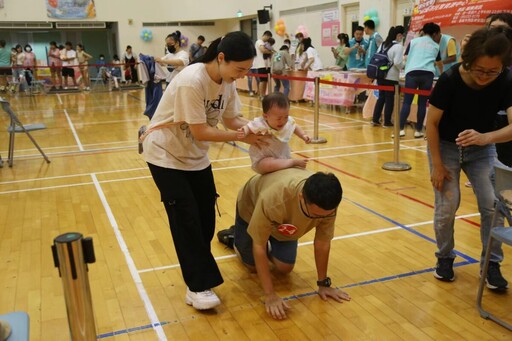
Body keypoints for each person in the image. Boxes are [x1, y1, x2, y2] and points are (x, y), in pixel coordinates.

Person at [141, 31, 262, 311]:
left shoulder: (227, 83)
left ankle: (197, 275)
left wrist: (258, 125)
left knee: (206, 218)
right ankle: (197, 286)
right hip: (165, 155)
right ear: (221, 58)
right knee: (186, 219)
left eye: (247, 70)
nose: (242, 75)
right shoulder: (192, 80)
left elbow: (231, 118)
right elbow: (200, 131)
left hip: (195, 157)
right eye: (239, 69)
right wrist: (242, 137)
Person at [426, 27, 512, 290]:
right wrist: (438, 165)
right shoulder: (450, 80)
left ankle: (491, 264)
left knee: (492, 205)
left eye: (492, 71)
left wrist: (485, 138)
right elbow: (431, 124)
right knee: (448, 205)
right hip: (446, 146)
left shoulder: (506, 79)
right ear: (468, 61)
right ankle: (444, 257)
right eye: (479, 70)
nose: (485, 76)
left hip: (481, 148)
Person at [228, 168, 350, 320]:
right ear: (300, 197)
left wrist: (323, 284)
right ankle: (235, 237)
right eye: (315, 215)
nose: (320, 219)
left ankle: (266, 238)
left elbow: (322, 243)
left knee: (285, 267)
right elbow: (259, 246)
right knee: (252, 266)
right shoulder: (273, 199)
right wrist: (270, 295)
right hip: (251, 207)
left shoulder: (328, 204)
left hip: (283, 223)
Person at [237, 92, 310, 174]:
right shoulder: (261, 123)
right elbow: (249, 127)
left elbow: (295, 127)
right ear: (265, 116)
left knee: (280, 163)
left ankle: (289, 162)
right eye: (278, 118)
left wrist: (303, 135)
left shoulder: (287, 122)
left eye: (285, 117)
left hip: (282, 156)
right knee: (266, 165)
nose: (282, 121)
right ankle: (292, 162)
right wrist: (244, 131)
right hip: (262, 158)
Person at [397, 22, 442, 138]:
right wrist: (441, 73)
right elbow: (438, 62)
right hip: (428, 74)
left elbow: (405, 57)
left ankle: (401, 129)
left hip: (412, 72)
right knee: (422, 103)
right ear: (435, 33)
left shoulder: (413, 42)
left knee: (407, 101)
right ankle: (418, 131)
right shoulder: (436, 46)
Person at [371, 26, 405, 128]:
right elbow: (398, 63)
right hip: (391, 77)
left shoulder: (383, 44)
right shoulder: (398, 47)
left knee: (381, 98)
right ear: (398, 35)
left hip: (380, 75)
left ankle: (375, 119)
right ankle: (387, 122)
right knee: (389, 100)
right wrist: (404, 65)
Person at [254, 31, 273, 99]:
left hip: (267, 65)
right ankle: (261, 95)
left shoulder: (265, 43)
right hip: (261, 65)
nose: (268, 39)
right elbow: (263, 50)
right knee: (262, 81)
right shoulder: (259, 42)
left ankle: (264, 95)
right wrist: (271, 52)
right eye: (268, 37)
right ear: (266, 35)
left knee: (266, 81)